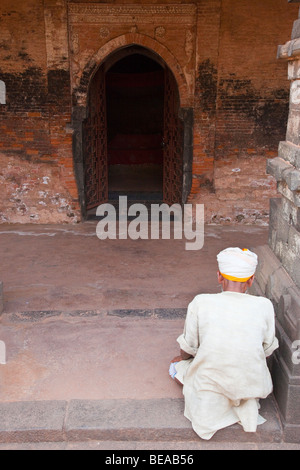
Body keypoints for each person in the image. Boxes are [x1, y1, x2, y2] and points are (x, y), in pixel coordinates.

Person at [169, 247, 279, 440]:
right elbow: (267, 351)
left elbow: (188, 347)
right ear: (251, 280)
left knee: (175, 367)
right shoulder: (264, 306)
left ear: (219, 277)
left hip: (210, 382)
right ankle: (240, 398)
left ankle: (213, 396)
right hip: (251, 383)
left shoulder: (201, 302)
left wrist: (183, 359)